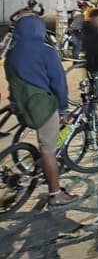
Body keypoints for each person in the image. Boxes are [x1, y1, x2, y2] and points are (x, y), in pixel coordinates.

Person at [5, 15, 77, 207]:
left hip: (22, 106)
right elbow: (58, 82)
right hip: (43, 107)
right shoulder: (45, 50)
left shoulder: (10, 53)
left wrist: (14, 102)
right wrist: (63, 109)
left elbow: (11, 82)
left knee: (44, 143)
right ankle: (55, 194)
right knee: (49, 151)